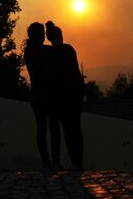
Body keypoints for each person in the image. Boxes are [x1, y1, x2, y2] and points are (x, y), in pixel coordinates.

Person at [45, 20, 85, 171]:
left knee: (68, 130)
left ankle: (75, 163)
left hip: (60, 96)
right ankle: (78, 162)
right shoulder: (69, 49)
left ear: (48, 38)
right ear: (61, 35)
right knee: (75, 128)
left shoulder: (49, 54)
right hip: (75, 94)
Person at [23, 22, 61, 171]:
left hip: (36, 94)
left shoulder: (28, 51)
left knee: (41, 128)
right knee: (54, 129)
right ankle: (56, 162)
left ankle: (46, 162)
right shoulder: (47, 51)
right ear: (41, 35)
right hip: (50, 94)